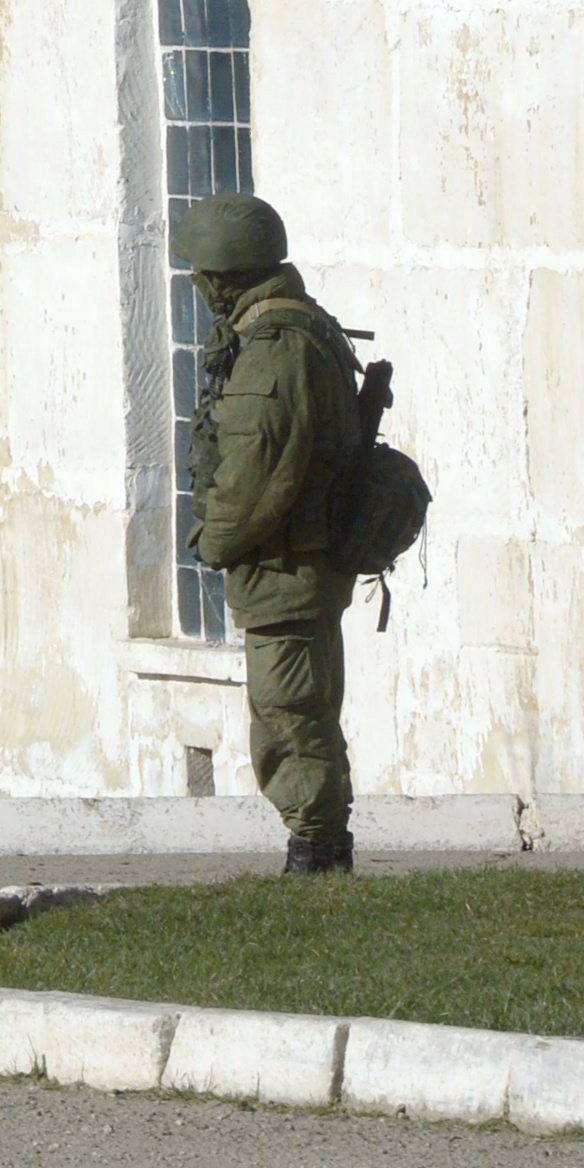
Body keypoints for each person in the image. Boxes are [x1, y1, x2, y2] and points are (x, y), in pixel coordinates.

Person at [178, 194, 366, 874]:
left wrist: (214, 539)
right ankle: (317, 845)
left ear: (222, 277)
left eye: (199, 274)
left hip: (286, 566)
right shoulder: (288, 328)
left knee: (289, 710)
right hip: (293, 564)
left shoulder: (273, 351)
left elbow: (259, 471)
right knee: (296, 705)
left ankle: (316, 850)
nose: (196, 287)